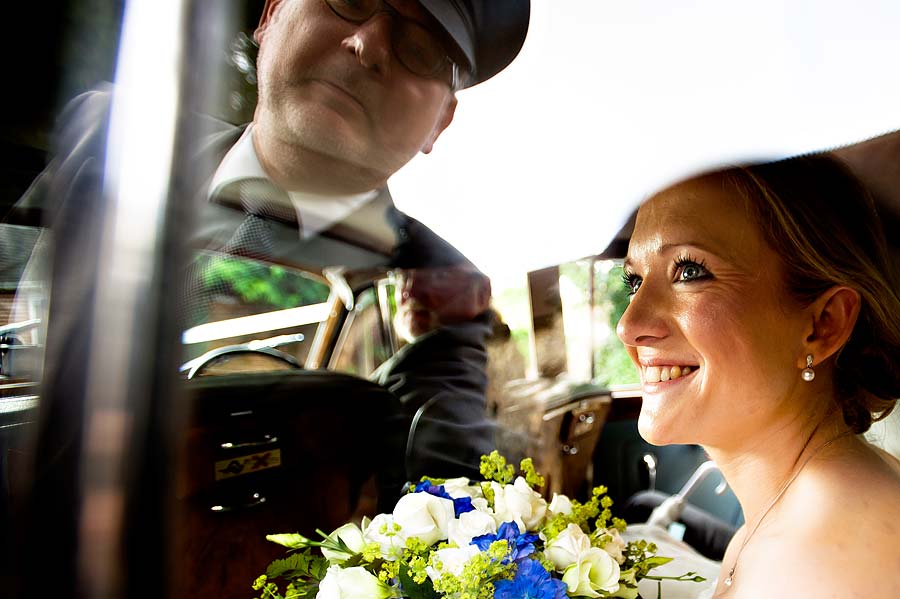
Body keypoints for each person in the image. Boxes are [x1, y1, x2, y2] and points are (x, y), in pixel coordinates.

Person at [616, 153, 900, 597]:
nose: (628, 326)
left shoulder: (838, 561)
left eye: (690, 272)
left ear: (822, 324)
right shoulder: (778, 520)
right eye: (633, 281)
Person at [372, 264, 494, 479]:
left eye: (438, 275)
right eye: (403, 277)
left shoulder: (438, 370)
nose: (410, 291)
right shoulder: (486, 350)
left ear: (482, 292)